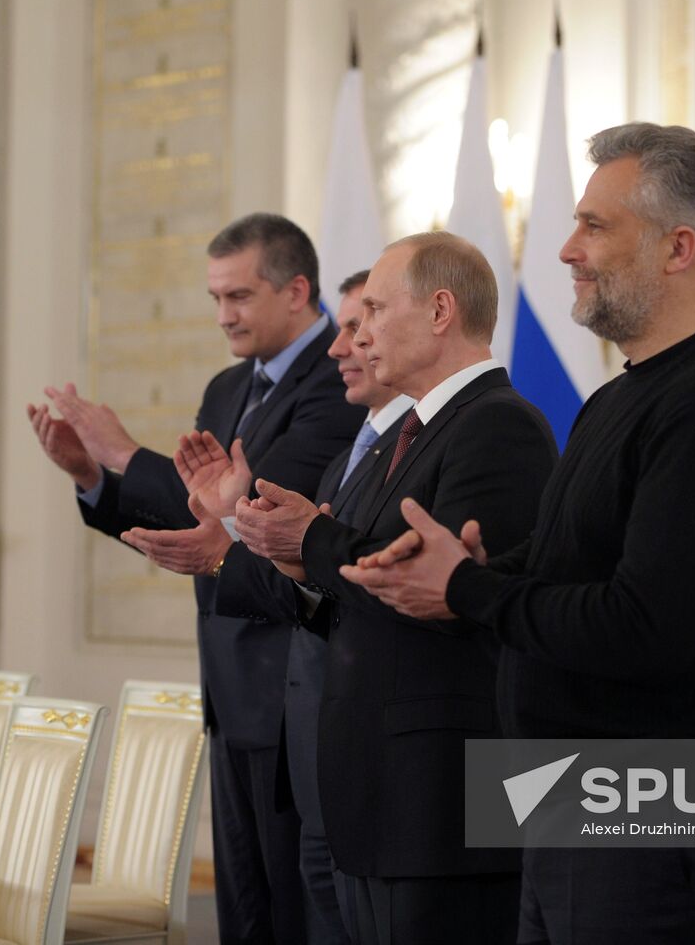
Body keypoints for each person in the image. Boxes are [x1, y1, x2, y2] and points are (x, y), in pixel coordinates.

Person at [341, 123, 695, 944]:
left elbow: (644, 628)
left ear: (677, 248)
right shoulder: (623, 396)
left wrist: (468, 590)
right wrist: (473, 565)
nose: (564, 249)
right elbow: (572, 566)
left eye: (595, 225)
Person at [26, 212, 364, 945]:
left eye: (238, 297)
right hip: (228, 685)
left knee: (291, 910)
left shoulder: (338, 384)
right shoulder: (226, 387)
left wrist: (122, 450)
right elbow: (194, 523)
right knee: (245, 907)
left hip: (291, 683)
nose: (222, 316)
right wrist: (94, 476)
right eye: (214, 298)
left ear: (297, 289)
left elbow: (265, 514)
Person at [233, 232, 558, 945]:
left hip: (442, 801)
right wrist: (290, 559)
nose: (357, 334)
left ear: (440, 310)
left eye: (375, 310)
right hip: (382, 793)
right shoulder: (403, 435)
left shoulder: (497, 425)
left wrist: (312, 541)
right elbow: (368, 589)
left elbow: (449, 596)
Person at [176, 270, 413, 945]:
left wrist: (238, 538)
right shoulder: (354, 457)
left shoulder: (466, 432)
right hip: (313, 745)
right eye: (342, 327)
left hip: (391, 762)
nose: (342, 347)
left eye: (358, 325)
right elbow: (311, 589)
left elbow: (386, 590)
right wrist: (233, 530)